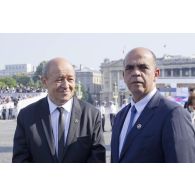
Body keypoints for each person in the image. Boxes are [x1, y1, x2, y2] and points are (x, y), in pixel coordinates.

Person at [12, 57, 106, 163]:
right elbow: (20, 160)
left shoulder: (92, 115)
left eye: (70, 79)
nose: (66, 85)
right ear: (44, 81)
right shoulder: (27, 116)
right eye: (59, 79)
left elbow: (97, 159)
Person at [111, 47, 195, 163]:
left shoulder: (174, 114)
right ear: (124, 75)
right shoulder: (120, 116)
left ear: (156, 74)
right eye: (129, 68)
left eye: (143, 67)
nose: (136, 73)